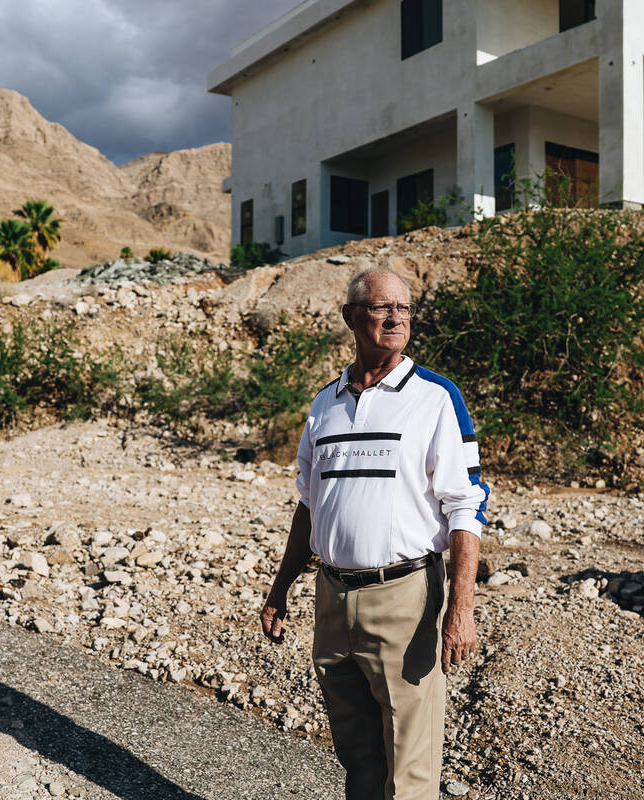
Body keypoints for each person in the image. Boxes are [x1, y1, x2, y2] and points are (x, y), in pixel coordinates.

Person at [260, 267, 489, 800]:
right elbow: (309, 507)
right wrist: (280, 589)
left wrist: (461, 610)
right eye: (381, 307)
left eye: (403, 309)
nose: (394, 318)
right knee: (358, 759)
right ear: (351, 318)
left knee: (409, 773)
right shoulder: (325, 403)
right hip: (333, 599)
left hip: (405, 599)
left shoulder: (435, 398)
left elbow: (465, 506)